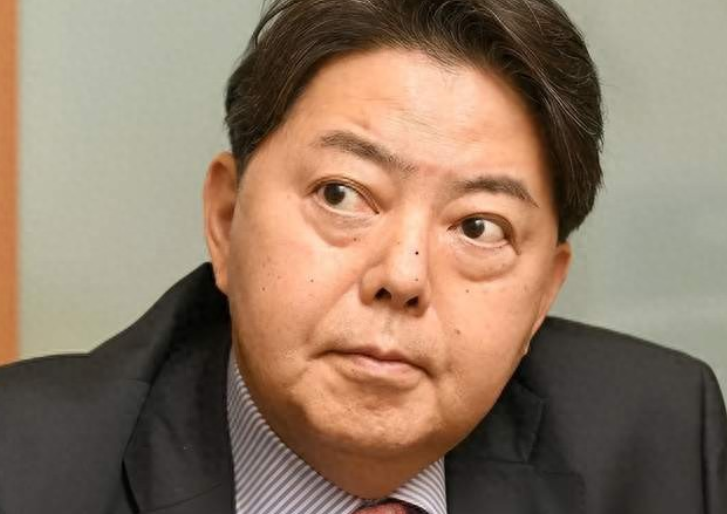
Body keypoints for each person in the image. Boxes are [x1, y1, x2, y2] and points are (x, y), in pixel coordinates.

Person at [1, 0, 725, 512]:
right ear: (224, 219)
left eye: (478, 227)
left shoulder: (656, 442)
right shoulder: (24, 466)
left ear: (543, 294)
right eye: (341, 194)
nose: (402, 276)